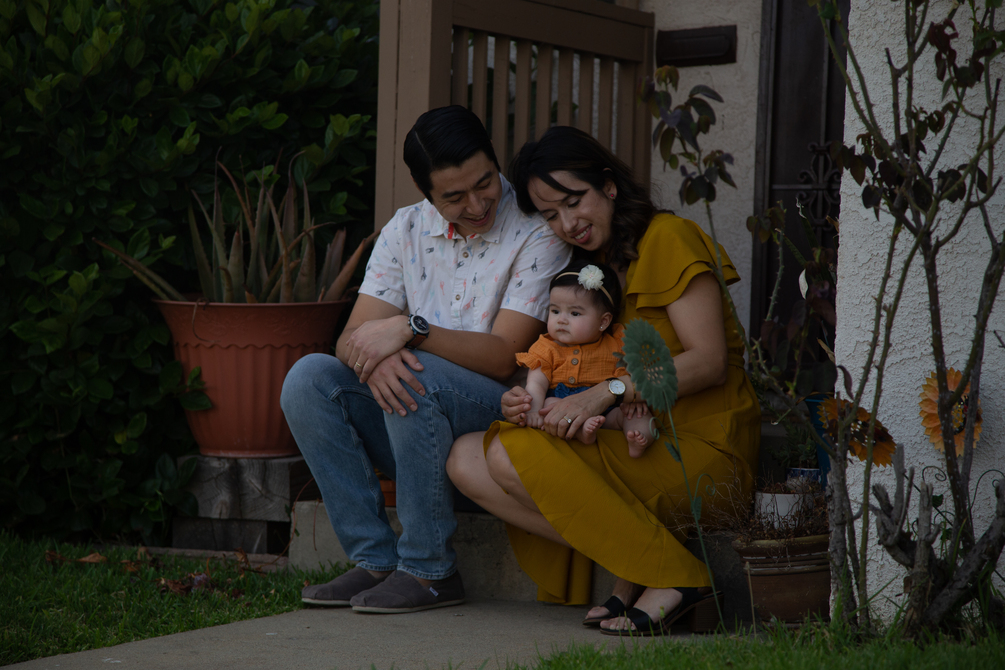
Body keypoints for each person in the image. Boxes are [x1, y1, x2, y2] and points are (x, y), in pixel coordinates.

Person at [446, 126, 760, 635]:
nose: (568, 223)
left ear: (609, 185)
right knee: (466, 457)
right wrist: (529, 400)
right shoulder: (592, 270)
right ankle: (649, 562)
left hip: (700, 448)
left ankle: (677, 578)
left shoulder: (668, 237)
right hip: (629, 440)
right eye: (551, 215)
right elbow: (565, 362)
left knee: (503, 454)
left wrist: (604, 394)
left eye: (574, 201)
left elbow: (709, 362)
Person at [281, 106, 572, 614]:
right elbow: (351, 339)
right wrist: (380, 357)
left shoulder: (536, 229)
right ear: (424, 190)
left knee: (421, 375)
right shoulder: (406, 228)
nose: (477, 204)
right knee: (309, 378)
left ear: (494, 159)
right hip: (415, 425)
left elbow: (503, 356)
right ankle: (375, 559)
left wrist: (410, 332)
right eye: (454, 197)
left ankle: (429, 569)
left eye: (484, 182)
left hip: (499, 424)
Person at [516, 259, 654, 455]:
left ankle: (639, 438)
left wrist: (635, 397)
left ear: (603, 321)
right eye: (555, 311)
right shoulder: (546, 346)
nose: (561, 320)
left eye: (574, 313)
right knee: (547, 405)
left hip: (610, 405)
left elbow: (635, 368)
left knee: (638, 414)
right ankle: (582, 431)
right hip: (562, 403)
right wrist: (532, 411)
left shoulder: (618, 340)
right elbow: (536, 383)